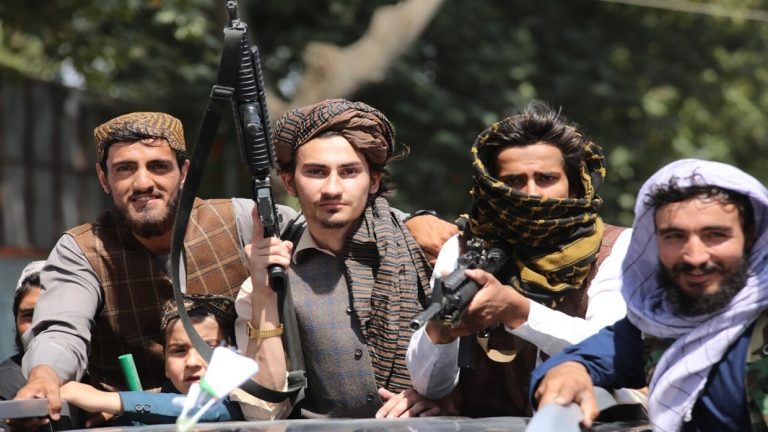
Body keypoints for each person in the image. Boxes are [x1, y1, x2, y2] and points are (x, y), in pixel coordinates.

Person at [14, 111, 452, 427]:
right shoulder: (81, 249)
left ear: (184, 172)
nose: (143, 182)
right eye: (125, 169)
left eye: (158, 167)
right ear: (103, 178)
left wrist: (412, 222)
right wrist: (45, 376)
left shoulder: (241, 221)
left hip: (234, 419)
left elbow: (329, 216)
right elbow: (60, 330)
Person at [398, 101, 639, 418]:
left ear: (574, 184)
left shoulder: (617, 247)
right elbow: (431, 387)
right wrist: (439, 333)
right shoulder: (462, 249)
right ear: (493, 187)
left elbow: (612, 350)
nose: (531, 193)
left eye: (546, 179)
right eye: (514, 181)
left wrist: (519, 312)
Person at [531, 159, 768, 431]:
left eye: (715, 235)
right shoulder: (662, 322)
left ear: (751, 239)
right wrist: (570, 371)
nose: (695, 257)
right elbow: (590, 356)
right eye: (674, 236)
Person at [238, 98, 440, 418]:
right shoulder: (271, 273)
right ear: (289, 182)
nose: (332, 188)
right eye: (316, 172)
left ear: (373, 181)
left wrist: (444, 398)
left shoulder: (425, 255)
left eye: (349, 172)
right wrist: (264, 296)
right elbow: (261, 414)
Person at [60, 294, 243, 425]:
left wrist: (110, 400)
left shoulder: (241, 401)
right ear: (166, 365)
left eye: (208, 349)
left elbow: (208, 410)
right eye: (179, 350)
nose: (192, 362)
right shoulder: (158, 402)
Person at [0, 261, 45, 401]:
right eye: (29, 315)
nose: (39, 325)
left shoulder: (99, 377)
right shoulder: (4, 384)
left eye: (52, 316)